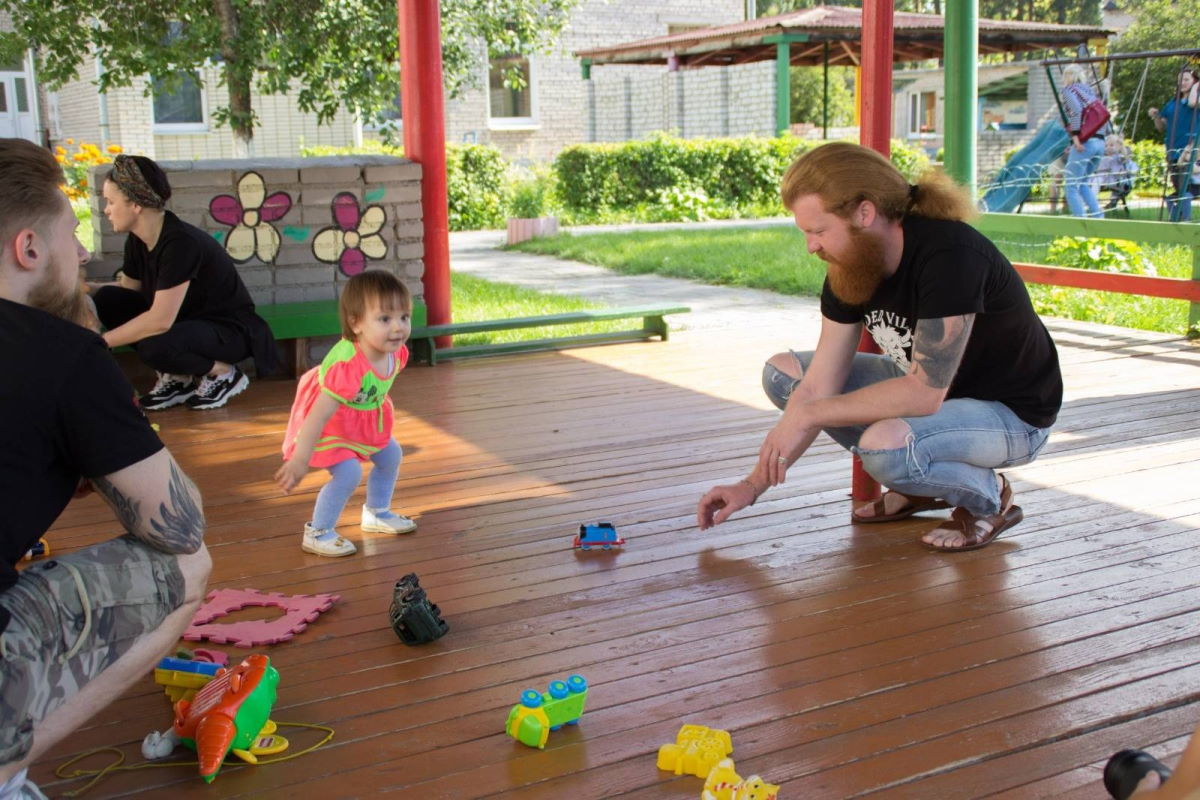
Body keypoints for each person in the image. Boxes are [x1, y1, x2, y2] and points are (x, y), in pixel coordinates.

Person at [696, 142, 1063, 552]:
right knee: (785, 375)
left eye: (818, 231)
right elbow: (818, 386)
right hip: (934, 394)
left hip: (1011, 414)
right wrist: (751, 486)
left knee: (885, 448)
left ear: (864, 213)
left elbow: (923, 394)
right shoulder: (851, 266)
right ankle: (921, 483)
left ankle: (989, 497)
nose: (811, 247)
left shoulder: (950, 256)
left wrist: (809, 411)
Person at [0, 138, 211, 799]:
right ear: (29, 248)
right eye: (71, 235)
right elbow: (178, 530)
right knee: (189, 568)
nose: (85, 252)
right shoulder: (62, 354)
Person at [90, 154, 278, 411]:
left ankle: (222, 373)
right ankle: (179, 378)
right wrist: (86, 288)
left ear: (134, 204)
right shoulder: (137, 239)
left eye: (110, 202)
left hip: (228, 330)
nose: (106, 209)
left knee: (154, 344)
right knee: (108, 301)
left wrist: (98, 343)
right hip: (186, 325)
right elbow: (128, 290)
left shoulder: (180, 244)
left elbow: (159, 321)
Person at [275, 270, 416, 557]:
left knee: (390, 455)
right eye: (384, 319)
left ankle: (376, 512)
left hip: (363, 418)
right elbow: (317, 415)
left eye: (404, 317)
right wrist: (300, 459)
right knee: (348, 472)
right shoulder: (348, 367)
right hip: (333, 424)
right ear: (356, 323)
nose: (398, 327)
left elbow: (375, 390)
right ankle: (318, 531)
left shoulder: (395, 354)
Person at [1148, 66, 1200, 223]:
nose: (1182, 83)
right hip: (1172, 150)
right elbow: (1161, 127)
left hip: (1190, 150)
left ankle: (1184, 219)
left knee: (1184, 186)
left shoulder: (1196, 99)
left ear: (1194, 81)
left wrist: (1197, 86)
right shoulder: (1172, 102)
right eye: (1180, 80)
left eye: (1186, 80)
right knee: (1179, 188)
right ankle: (1178, 218)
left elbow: (1192, 103)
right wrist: (1156, 116)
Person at [1060, 63, 1107, 218]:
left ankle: (1080, 223)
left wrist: (1075, 137)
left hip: (1086, 141)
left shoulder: (1068, 90)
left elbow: (1076, 111)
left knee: (1071, 185)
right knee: (1083, 182)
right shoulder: (1089, 91)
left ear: (1067, 76)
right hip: (1100, 141)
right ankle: (1098, 218)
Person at [1096, 134, 1140, 211]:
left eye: (1111, 145)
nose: (1108, 148)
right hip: (1109, 181)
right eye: (1106, 146)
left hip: (1122, 183)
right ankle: (1100, 202)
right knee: (1095, 181)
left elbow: (1132, 168)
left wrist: (1128, 172)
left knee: (1118, 188)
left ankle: (1112, 202)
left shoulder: (1119, 158)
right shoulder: (1106, 158)